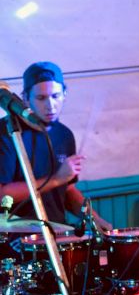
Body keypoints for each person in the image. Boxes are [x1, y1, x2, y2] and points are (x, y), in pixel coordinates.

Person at [0, 61, 111, 231]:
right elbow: (3, 194)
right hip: (16, 239)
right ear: (25, 98)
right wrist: (56, 179)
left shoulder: (64, 135)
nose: (50, 105)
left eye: (56, 96)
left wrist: (95, 220)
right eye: (41, 98)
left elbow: (68, 189)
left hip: (56, 231)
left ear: (65, 94)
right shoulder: (7, 132)